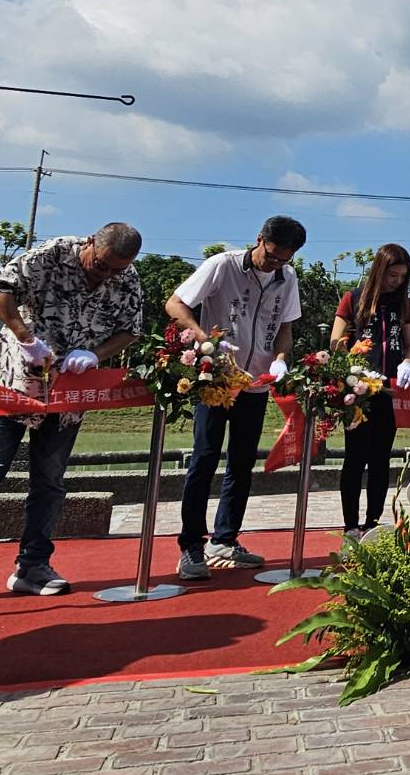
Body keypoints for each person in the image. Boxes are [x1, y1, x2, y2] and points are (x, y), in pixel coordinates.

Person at [0, 223, 143, 610]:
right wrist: (26, 337)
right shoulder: (52, 253)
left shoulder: (127, 277)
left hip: (68, 391)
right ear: (89, 243)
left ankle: (32, 566)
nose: (106, 275)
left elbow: (130, 330)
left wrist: (96, 354)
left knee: (49, 481)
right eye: (101, 265)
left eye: (116, 270)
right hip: (14, 381)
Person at [167, 216, 305, 579]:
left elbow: (285, 327)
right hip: (217, 380)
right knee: (204, 459)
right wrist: (203, 339)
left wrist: (280, 359)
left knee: (242, 464)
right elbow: (176, 304)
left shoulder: (287, 277)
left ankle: (225, 539)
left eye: (284, 259)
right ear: (259, 239)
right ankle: (191, 546)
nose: (275, 264)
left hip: (255, 383)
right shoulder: (222, 265)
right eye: (271, 256)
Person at [330, 243, 410, 539]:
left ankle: (372, 522)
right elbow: (336, 342)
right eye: (393, 275)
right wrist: (353, 366)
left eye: (402, 277)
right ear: (379, 270)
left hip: (389, 393)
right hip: (358, 393)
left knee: (381, 458)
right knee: (355, 458)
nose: (397, 281)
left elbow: (409, 345)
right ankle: (350, 525)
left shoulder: (402, 304)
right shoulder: (353, 299)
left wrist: (407, 363)